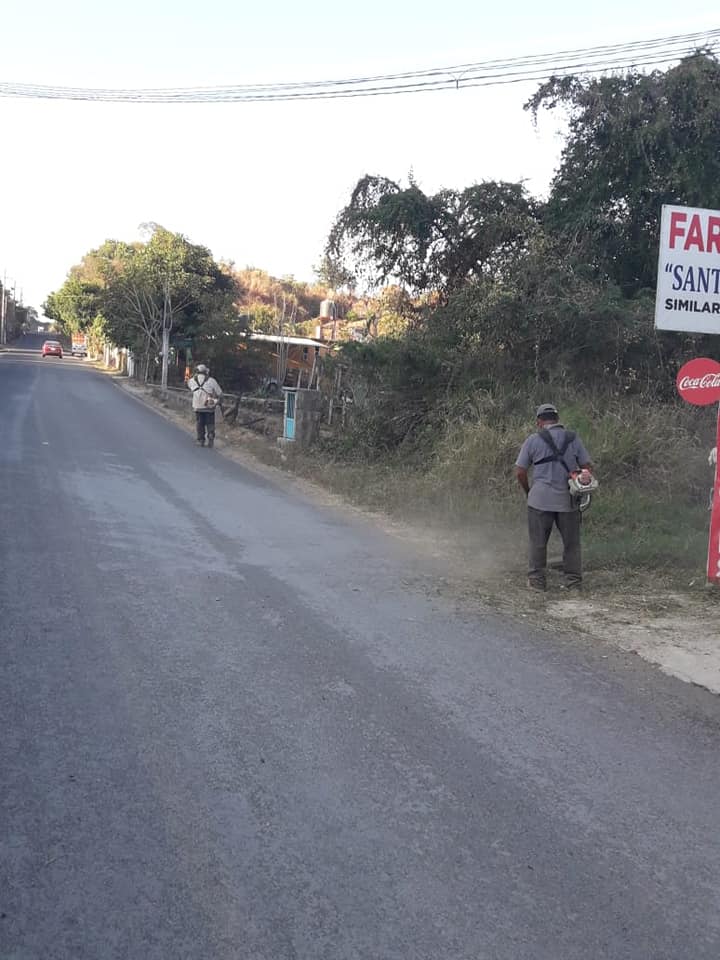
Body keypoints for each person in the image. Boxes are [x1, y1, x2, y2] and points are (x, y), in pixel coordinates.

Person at [515, 403, 593, 592]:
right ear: (557, 420)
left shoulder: (533, 440)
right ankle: (574, 583)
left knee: (538, 542)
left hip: (539, 499)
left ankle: (537, 582)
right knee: (572, 544)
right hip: (567, 500)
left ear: (539, 422)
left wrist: (529, 491)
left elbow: (520, 471)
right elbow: (587, 467)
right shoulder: (573, 438)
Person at [187, 363, 223, 448]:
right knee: (210, 422)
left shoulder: (191, 381)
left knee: (200, 423)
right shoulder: (212, 380)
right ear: (206, 372)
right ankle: (210, 435)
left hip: (197, 406)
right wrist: (218, 401)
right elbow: (220, 393)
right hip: (209, 406)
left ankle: (201, 440)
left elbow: (189, 386)